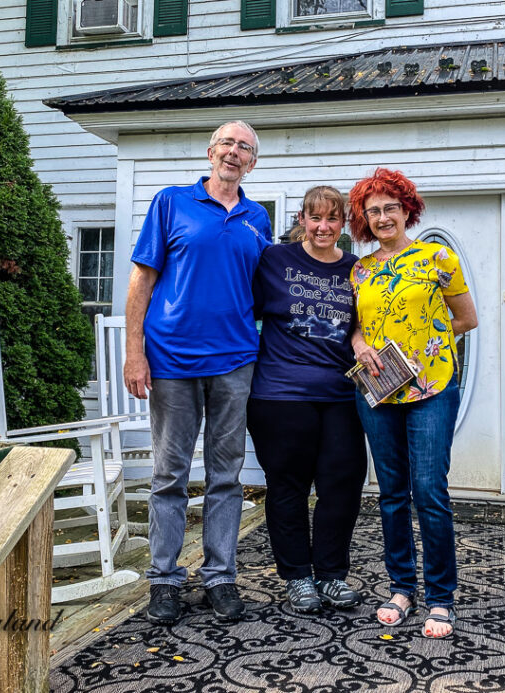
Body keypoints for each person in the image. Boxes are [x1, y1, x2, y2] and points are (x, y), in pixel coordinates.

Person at [124, 121, 272, 625]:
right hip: (172, 361)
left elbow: (263, 292)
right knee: (169, 474)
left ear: (252, 163)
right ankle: (164, 581)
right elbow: (142, 278)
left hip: (234, 361)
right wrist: (134, 351)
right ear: (211, 153)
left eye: (245, 148)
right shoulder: (171, 202)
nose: (234, 152)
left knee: (227, 475)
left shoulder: (258, 219)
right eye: (227, 144)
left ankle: (220, 577)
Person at [348, 168, 478, 639]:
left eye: (390, 208)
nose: (383, 217)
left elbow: (466, 318)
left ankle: (440, 597)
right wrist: (360, 344)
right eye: (373, 211)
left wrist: (429, 345)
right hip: (379, 391)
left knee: (429, 490)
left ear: (407, 210)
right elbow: (357, 324)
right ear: (364, 219)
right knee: (391, 494)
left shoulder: (437, 258)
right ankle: (402, 588)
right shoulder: (359, 269)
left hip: (431, 388)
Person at [247, 186, 368, 613]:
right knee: (288, 487)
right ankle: (297, 577)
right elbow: (245, 310)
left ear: (344, 224)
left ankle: (331, 576)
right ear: (302, 219)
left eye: (332, 219)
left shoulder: (356, 269)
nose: (323, 227)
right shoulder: (274, 261)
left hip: (339, 395)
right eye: (315, 218)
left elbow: (361, 325)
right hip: (279, 395)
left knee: (343, 484)